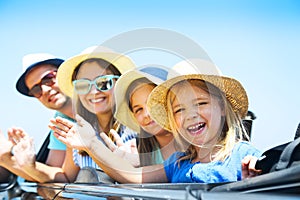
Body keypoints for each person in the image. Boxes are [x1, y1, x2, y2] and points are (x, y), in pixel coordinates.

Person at [47, 59, 263, 184]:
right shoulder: (178, 163)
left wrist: (254, 183)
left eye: (200, 103)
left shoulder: (243, 156)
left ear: (223, 107)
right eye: (179, 109)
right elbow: (129, 175)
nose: (190, 115)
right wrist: (92, 145)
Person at [11, 46, 137, 183]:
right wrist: (29, 166)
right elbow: (66, 177)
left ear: (120, 83)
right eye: (83, 85)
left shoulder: (138, 123)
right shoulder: (77, 132)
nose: (94, 91)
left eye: (103, 82)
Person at [0, 53, 73, 182]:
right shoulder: (60, 122)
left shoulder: (100, 104)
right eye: (36, 89)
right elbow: (59, 178)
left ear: (66, 74)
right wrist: (6, 158)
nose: (44, 90)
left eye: (48, 79)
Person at [102, 66, 176, 166]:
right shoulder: (135, 151)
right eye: (138, 109)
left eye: (153, 103)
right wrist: (131, 169)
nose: (147, 114)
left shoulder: (195, 141)